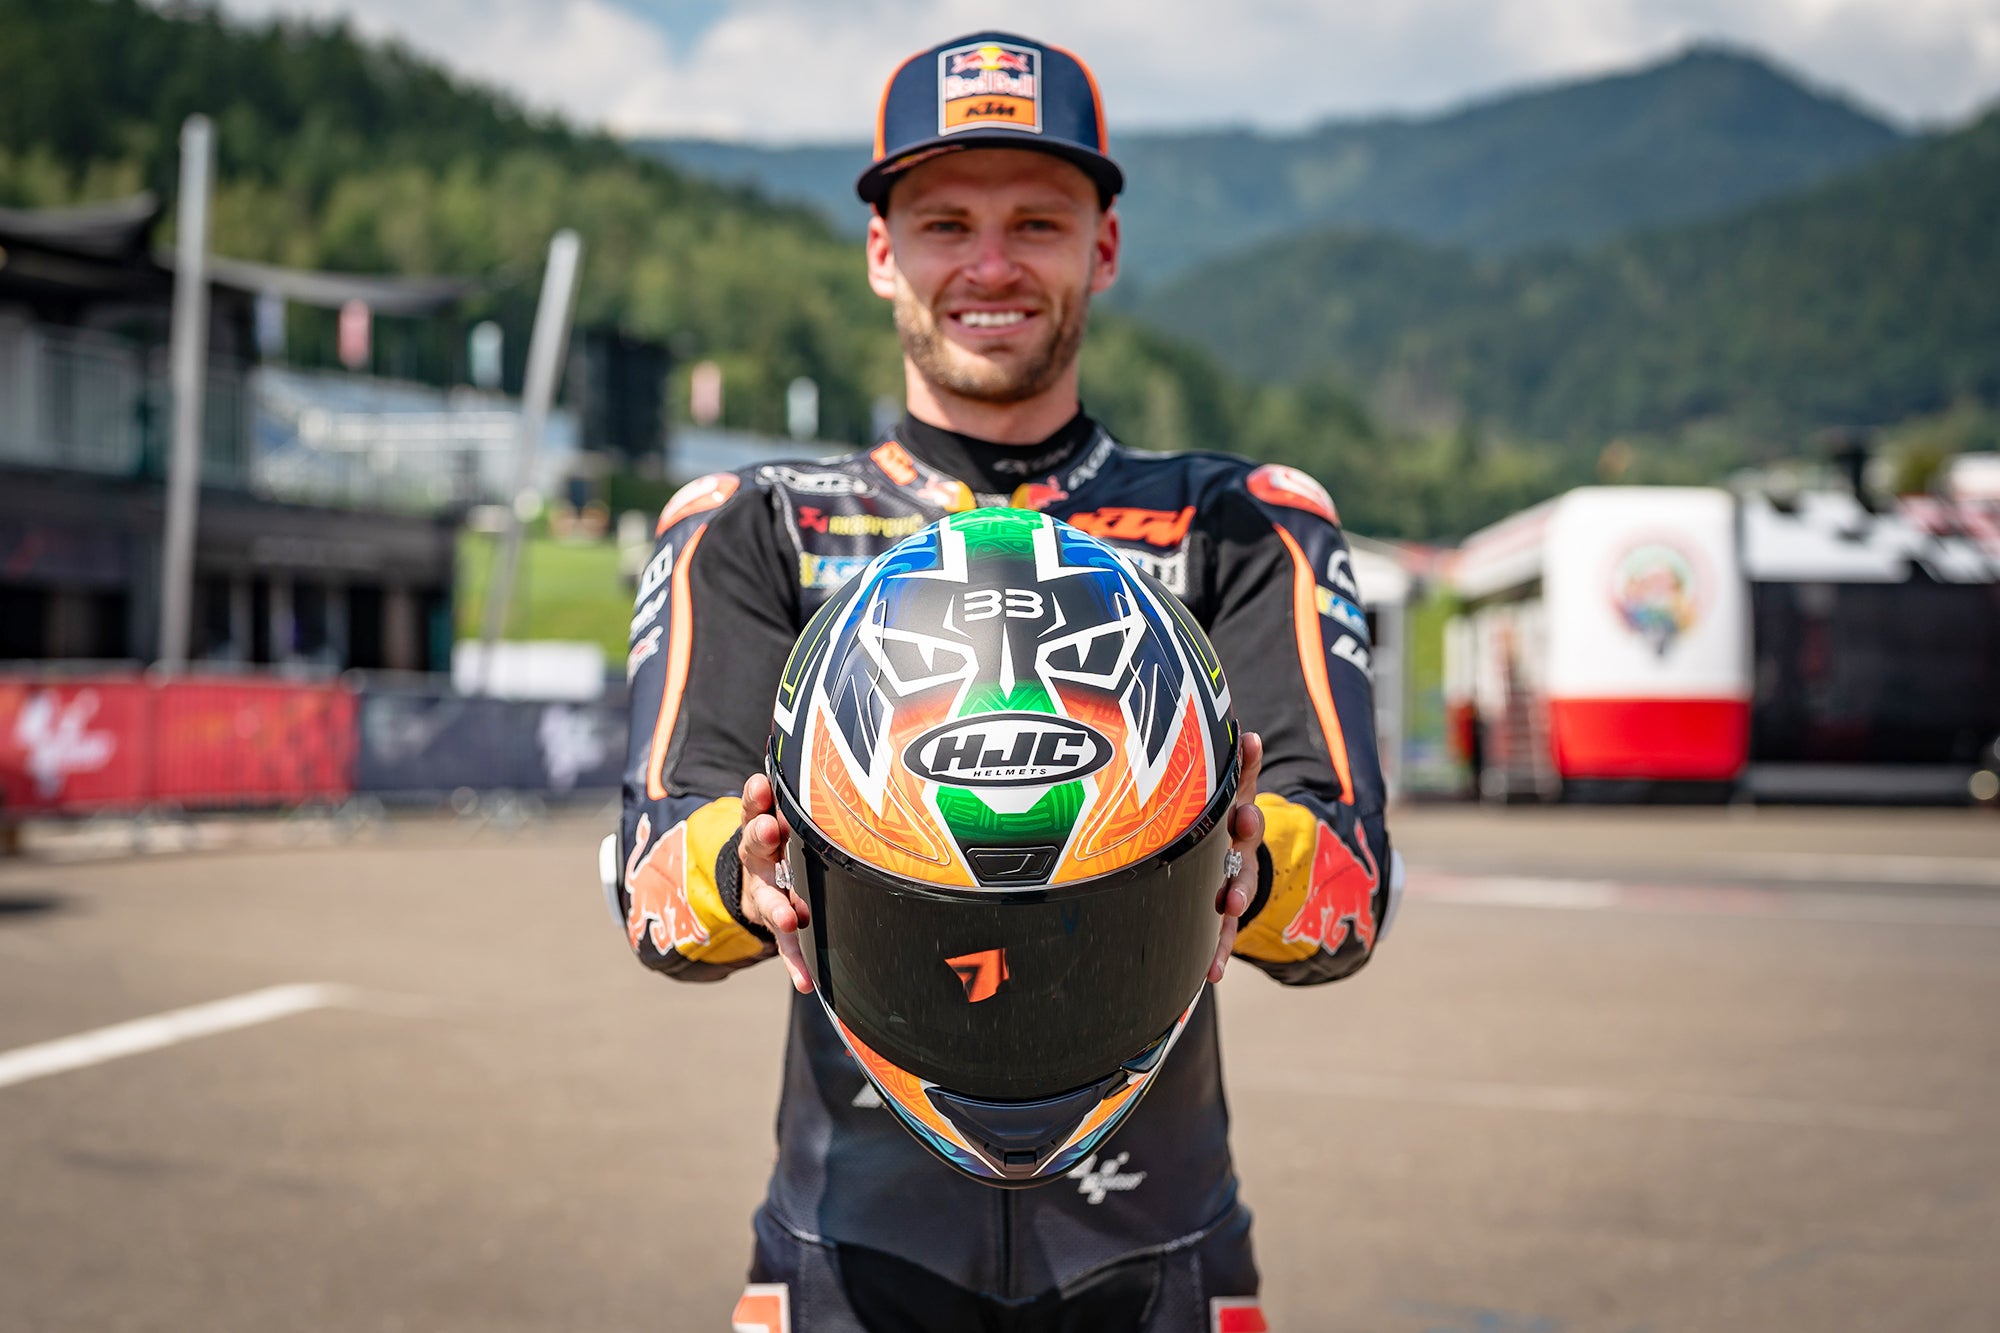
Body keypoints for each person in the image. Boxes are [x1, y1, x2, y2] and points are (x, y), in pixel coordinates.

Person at [612, 31, 1397, 1332]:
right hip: (846, 1256)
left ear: (1104, 245)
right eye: (945, 223)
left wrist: (1247, 856)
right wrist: (745, 868)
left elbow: (1352, 893)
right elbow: (653, 880)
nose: (990, 266)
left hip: (1157, 1255)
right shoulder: (753, 526)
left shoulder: (1243, 525)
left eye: (1037, 221)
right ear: (883, 252)